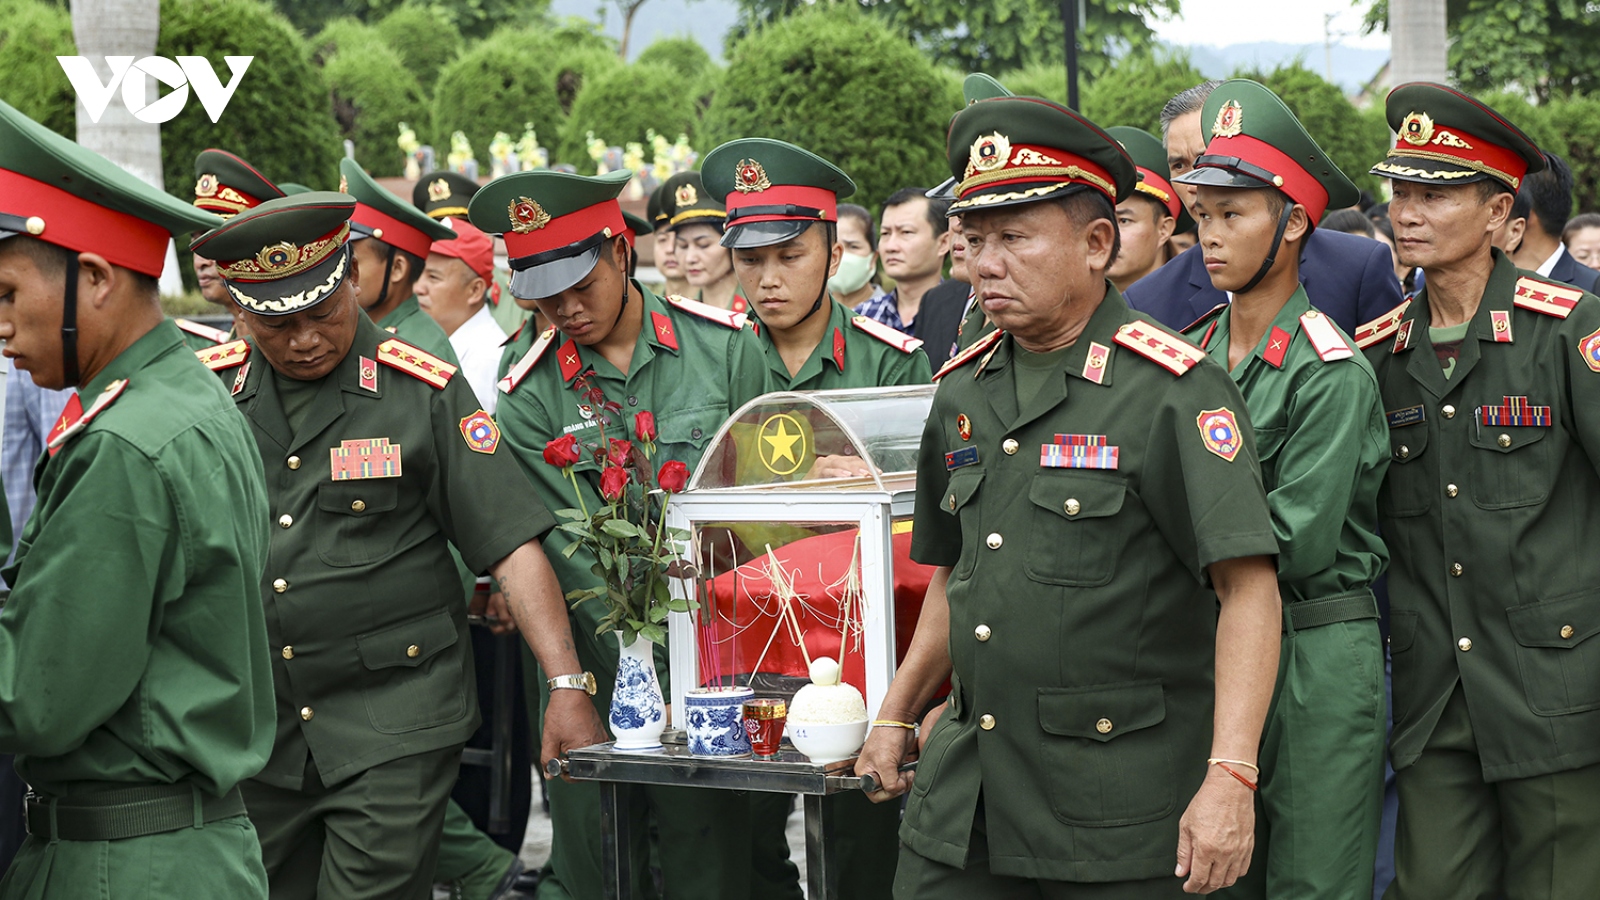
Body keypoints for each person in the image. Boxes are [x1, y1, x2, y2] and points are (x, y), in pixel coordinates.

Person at [857, 92, 1283, 898]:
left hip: (1117, 810)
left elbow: (1248, 590)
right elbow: (954, 576)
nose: (986, 265)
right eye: (974, 240)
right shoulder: (962, 392)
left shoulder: (1173, 392)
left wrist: (1231, 774)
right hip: (973, 793)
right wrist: (895, 712)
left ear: (1095, 244)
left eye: (1014, 238)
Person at [190, 192, 606, 900]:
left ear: (353, 280)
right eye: (276, 323)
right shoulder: (213, 394)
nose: (305, 340)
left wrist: (566, 685)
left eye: (321, 313)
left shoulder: (422, 391)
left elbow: (510, 543)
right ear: (239, 312)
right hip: (263, 734)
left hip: (396, 723)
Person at [0, 97, 275, 899]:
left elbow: (37, 698)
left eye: (11, 294)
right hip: (171, 848)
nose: (3, 326)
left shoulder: (126, 442)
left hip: (128, 860)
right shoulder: (180, 395)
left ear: (93, 277)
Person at [469, 168, 767, 900]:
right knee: (598, 868)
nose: (566, 311)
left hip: (717, 671)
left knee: (717, 871)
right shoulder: (530, 389)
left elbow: (766, 514)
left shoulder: (727, 352)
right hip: (596, 672)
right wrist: (566, 684)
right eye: (545, 297)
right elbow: (541, 547)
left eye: (581, 287)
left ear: (621, 253)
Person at [1356, 82, 1600, 900]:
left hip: (1560, 694)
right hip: (1436, 703)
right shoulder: (1379, 356)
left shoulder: (1568, 330)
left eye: (1436, 194)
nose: (1408, 213)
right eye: (1401, 193)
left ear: (1501, 215)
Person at [699, 137, 930, 900]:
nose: (767, 279)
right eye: (750, 259)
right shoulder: (714, 364)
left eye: (790, 256)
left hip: (863, 640)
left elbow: (929, 507)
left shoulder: (892, 362)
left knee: (865, 839)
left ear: (835, 255)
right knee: (739, 843)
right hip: (740, 635)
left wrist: (879, 475)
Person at [1176, 79, 1389, 900]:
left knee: (1311, 879)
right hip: (1212, 642)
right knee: (1212, 875)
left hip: (1314, 652)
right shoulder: (1189, 353)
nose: (1210, 237)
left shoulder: (1328, 371)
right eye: (1202, 214)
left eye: (1235, 214)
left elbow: (1292, 540)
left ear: (1294, 223)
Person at [1128, 80, 1402, 335]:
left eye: (1205, 159)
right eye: (1178, 166)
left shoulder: (1357, 268)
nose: (1192, 181)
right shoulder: (1147, 302)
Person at [340, 158, 460, 364]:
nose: (340, 273)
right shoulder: (349, 329)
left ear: (397, 269)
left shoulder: (424, 352)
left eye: (352, 264)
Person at [185, 148, 286, 347]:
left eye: (216, 241)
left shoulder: (295, 351)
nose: (201, 261)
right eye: (195, 242)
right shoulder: (220, 350)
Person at [414, 169, 527, 339]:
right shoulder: (414, 289)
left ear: (486, 236)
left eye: (463, 226)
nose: (450, 232)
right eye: (437, 228)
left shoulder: (520, 297)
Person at [416, 217, 503, 412]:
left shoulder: (487, 361)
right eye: (419, 274)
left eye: (433, 277)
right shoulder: (433, 339)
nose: (418, 288)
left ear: (474, 291)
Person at [1496, 153, 1600, 292]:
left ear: (1526, 217)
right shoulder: (1492, 285)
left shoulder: (1591, 290)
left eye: (1499, 209)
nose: (1489, 220)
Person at [856, 188, 952, 334]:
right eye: (885, 233)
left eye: (906, 232)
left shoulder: (962, 317)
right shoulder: (863, 317)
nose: (891, 246)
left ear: (944, 243)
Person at [1106, 126, 1181, 292]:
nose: (1106, 234)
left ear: (1163, 229)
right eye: (1100, 219)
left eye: (1123, 221)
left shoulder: (1203, 308)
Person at [663, 171, 747, 314]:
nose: (690, 258)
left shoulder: (758, 312)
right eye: (682, 246)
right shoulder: (680, 316)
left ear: (731, 244)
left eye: (703, 245)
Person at [830, 203, 883, 310]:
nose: (841, 256)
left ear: (873, 259)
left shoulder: (891, 315)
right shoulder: (807, 314)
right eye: (833, 248)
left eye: (853, 246)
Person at [648, 180, 692, 298]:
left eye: (680, 240)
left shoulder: (724, 312)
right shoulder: (647, 310)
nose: (670, 249)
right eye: (662, 239)